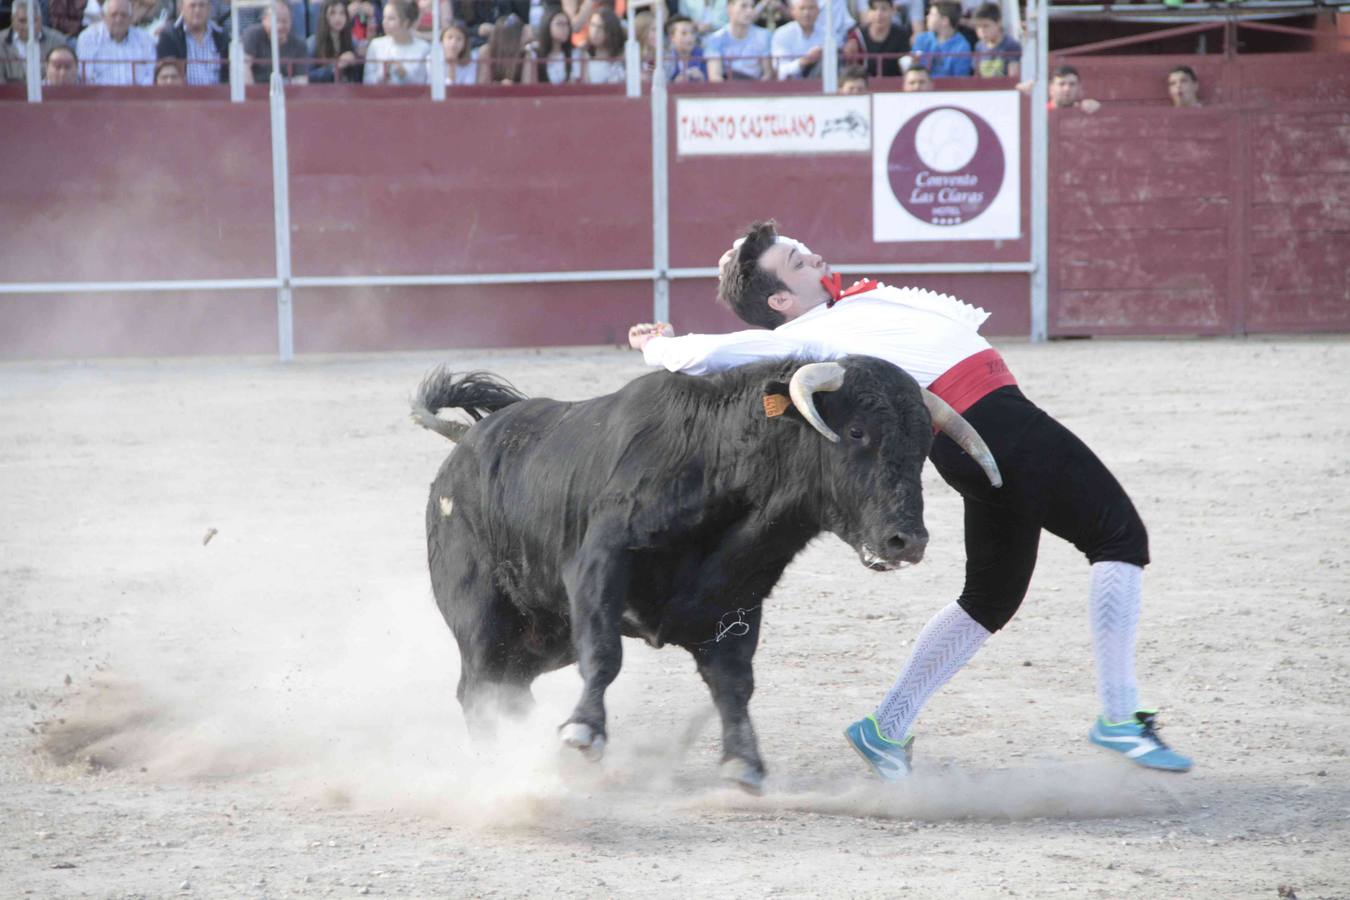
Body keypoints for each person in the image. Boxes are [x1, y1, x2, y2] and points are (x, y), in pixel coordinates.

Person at [627, 220, 1194, 780]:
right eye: (797, 262)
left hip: (975, 434)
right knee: (1118, 537)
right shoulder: (805, 336)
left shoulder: (845, 311)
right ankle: (1120, 717)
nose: (814, 257)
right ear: (780, 298)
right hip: (995, 424)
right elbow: (708, 354)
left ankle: (886, 728)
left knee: (991, 598)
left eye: (803, 248)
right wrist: (658, 345)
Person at [76, 0, 157, 84]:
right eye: (114, 15)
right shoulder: (88, 38)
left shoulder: (145, 40)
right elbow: (86, 76)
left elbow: (150, 75)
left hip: (137, 95)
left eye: (123, 15)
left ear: (131, 18)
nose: (118, 20)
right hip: (99, 95)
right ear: (104, 16)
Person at [156, 0, 229, 85]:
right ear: (181, 8)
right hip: (183, 96)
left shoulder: (222, 36)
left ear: (209, 8)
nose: (197, 10)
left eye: (201, 5)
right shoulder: (169, 36)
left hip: (219, 96)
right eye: (192, 6)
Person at [0, 0, 66, 83]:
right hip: (10, 95)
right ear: (12, 20)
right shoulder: (1, 42)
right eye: (22, 21)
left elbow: (61, 79)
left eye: (34, 20)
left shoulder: (57, 40)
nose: (28, 26)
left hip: (48, 94)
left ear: (41, 19)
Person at [363, 0, 430, 83]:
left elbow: (426, 83)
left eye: (391, 19)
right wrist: (382, 75)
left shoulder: (424, 48)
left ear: (406, 22)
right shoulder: (375, 45)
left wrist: (404, 74)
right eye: (384, 17)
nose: (385, 22)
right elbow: (367, 80)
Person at [705, 0, 770, 81]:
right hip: (727, 88)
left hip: (756, 88)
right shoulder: (715, 39)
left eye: (752, 6)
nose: (749, 11)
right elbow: (715, 77)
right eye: (744, 6)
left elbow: (768, 74)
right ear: (729, 9)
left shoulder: (764, 36)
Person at [243, 1, 307, 82]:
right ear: (264, 20)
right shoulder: (252, 35)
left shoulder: (299, 45)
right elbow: (243, 67)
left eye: (284, 21)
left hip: (286, 91)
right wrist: (252, 93)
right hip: (256, 89)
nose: (280, 26)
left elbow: (301, 80)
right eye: (276, 20)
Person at [844, 0, 906, 79]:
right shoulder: (857, 35)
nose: (878, 14)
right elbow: (852, 69)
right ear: (868, 12)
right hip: (864, 85)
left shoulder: (901, 35)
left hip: (895, 85)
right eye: (874, 9)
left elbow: (905, 64)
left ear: (893, 10)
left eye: (884, 9)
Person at [910, 0, 969, 78]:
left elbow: (960, 79)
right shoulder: (922, 39)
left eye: (931, 14)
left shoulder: (962, 46)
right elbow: (915, 70)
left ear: (945, 21)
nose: (927, 17)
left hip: (949, 89)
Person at [769, 0, 822, 80]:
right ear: (792, 11)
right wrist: (804, 61)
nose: (807, 13)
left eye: (811, 8)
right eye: (802, 8)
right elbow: (780, 70)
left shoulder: (827, 34)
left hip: (821, 84)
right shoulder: (782, 33)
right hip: (790, 87)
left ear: (818, 11)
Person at [476, 10, 531, 83]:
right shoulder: (487, 51)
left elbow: (528, 86)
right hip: (493, 93)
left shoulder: (525, 54)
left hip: (517, 93)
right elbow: (482, 84)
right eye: (521, 34)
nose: (523, 37)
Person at [970, 1, 1017, 78]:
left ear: (999, 23)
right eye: (978, 27)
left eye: (986, 26)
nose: (981, 31)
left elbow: (1013, 79)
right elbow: (976, 77)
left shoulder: (1011, 46)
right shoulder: (979, 46)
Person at [578, 6, 622, 83]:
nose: (594, 32)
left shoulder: (622, 57)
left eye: (600, 27)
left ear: (610, 30)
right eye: (592, 25)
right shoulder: (582, 54)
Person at [532, 6, 574, 83]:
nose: (565, 28)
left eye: (567, 24)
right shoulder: (535, 53)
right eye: (559, 24)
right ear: (547, 25)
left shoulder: (574, 54)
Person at [664, 13, 706, 82]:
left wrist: (702, 78)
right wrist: (675, 83)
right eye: (684, 33)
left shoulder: (703, 56)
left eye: (692, 32)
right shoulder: (665, 58)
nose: (690, 37)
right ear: (672, 37)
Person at [442, 17, 478, 83]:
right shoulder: (432, 58)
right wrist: (451, 68)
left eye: (459, 39)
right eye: (449, 37)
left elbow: (468, 87)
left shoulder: (472, 60)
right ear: (442, 40)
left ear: (465, 43)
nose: (453, 42)